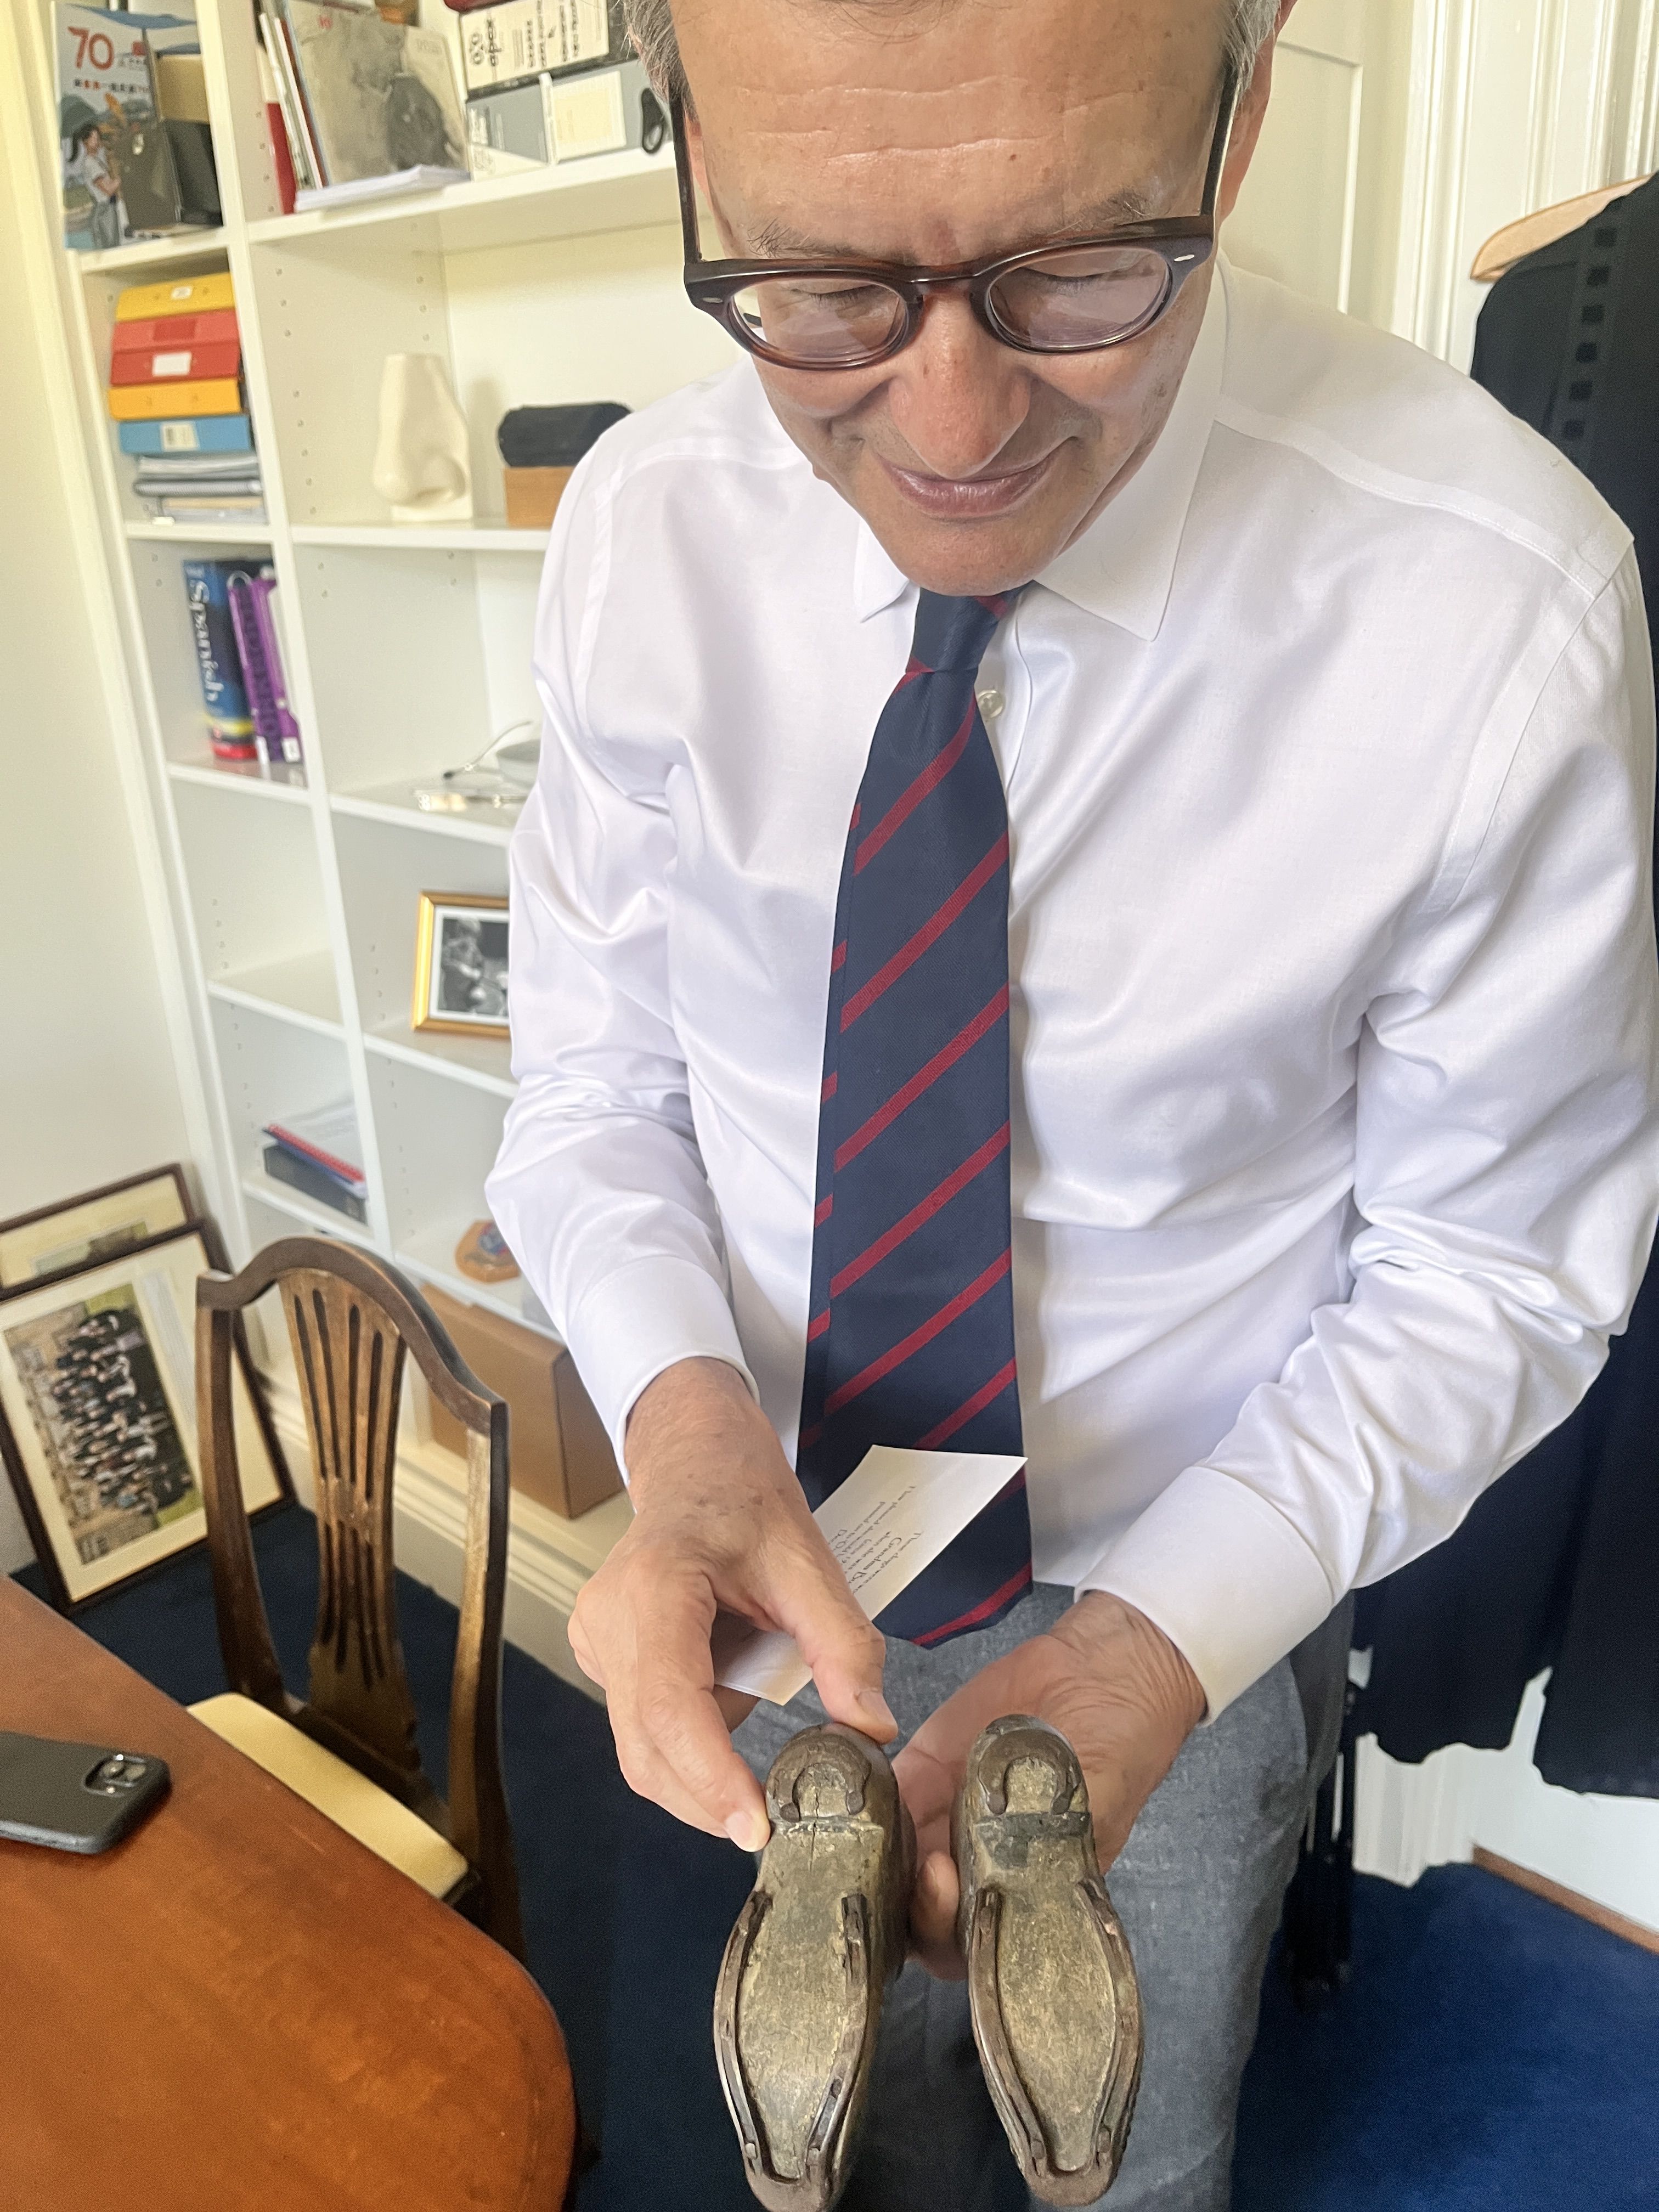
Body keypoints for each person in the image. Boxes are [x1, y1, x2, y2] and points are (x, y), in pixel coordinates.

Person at [486, 0, 1659, 2201]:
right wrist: (680, 1416)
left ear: (1237, 122)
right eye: (819, 281)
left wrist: (1152, 1654)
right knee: (783, 2139)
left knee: (1115, 2161)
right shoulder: (641, 533)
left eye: (1076, 272)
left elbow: (1490, 1263)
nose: (949, 415)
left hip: (1182, 1580)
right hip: (755, 1538)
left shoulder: (1493, 609)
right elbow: (593, 1076)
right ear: (696, 158)